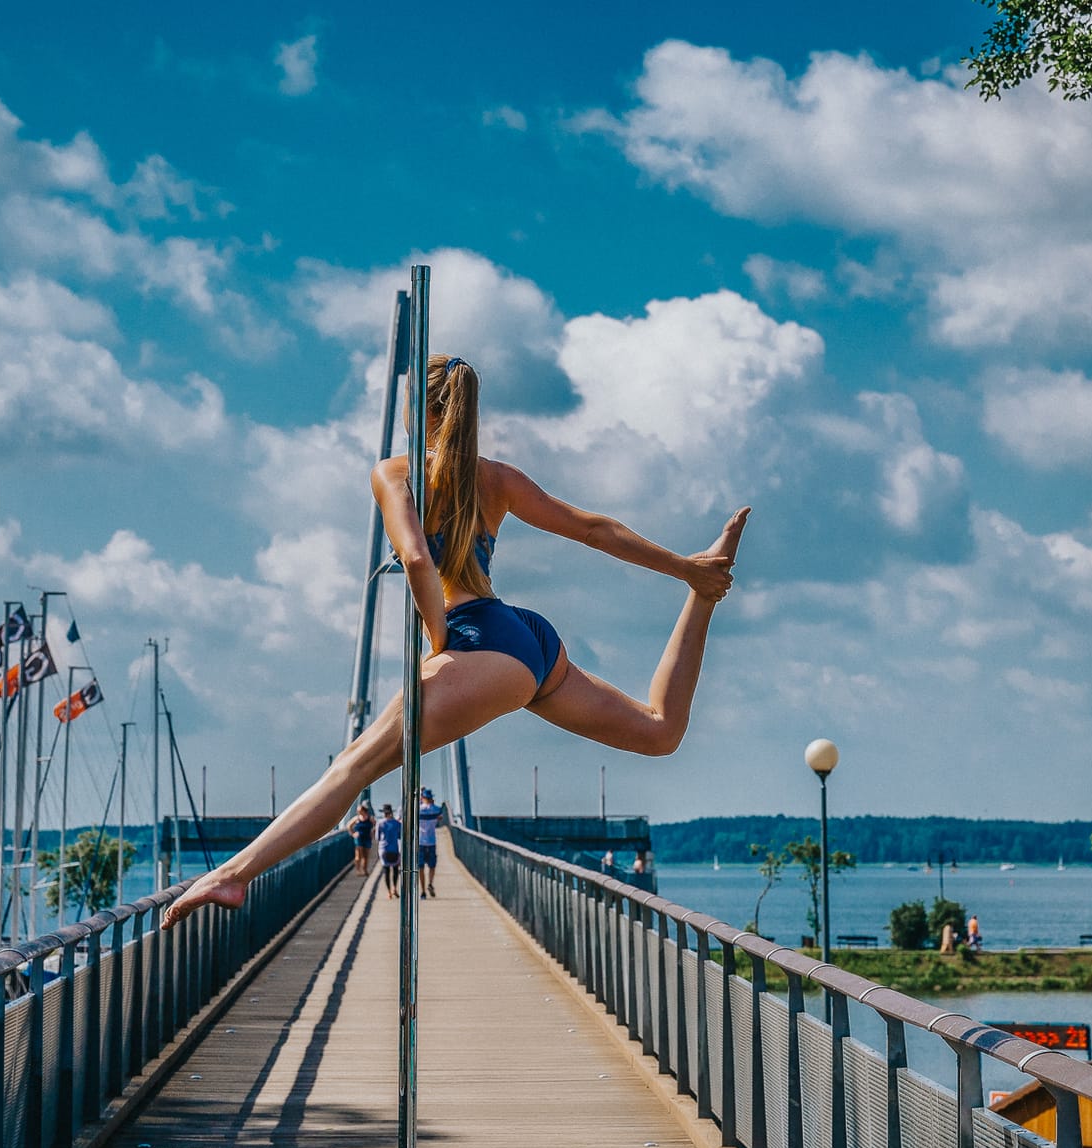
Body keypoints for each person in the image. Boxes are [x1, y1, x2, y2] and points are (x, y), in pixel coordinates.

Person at [161, 352, 748, 929]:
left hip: (474, 642)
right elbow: (594, 528)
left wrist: (441, 641)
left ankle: (231, 875)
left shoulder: (395, 473)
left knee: (350, 768)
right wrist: (688, 571)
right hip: (527, 636)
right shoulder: (499, 477)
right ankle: (703, 600)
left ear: (422, 411)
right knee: (659, 729)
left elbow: (417, 559)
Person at [416, 788, 447, 897]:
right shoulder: (436, 810)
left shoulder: (418, 810)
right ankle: (430, 883)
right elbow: (441, 816)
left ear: (422, 798)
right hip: (431, 841)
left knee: (420, 868)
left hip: (420, 842)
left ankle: (423, 891)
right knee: (432, 866)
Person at [376, 803, 403, 896]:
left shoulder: (380, 823)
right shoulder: (397, 823)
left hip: (383, 849)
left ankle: (389, 892)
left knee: (386, 870)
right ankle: (394, 888)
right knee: (395, 869)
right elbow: (400, 836)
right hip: (394, 848)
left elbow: (377, 837)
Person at [345, 802, 376, 876]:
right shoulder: (357, 818)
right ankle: (358, 870)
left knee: (366, 856)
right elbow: (349, 826)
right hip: (359, 838)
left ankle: (364, 870)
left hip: (367, 838)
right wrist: (353, 834)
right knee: (358, 855)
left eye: (359, 810)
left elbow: (376, 825)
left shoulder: (370, 818)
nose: (357, 811)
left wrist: (373, 832)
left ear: (363, 810)